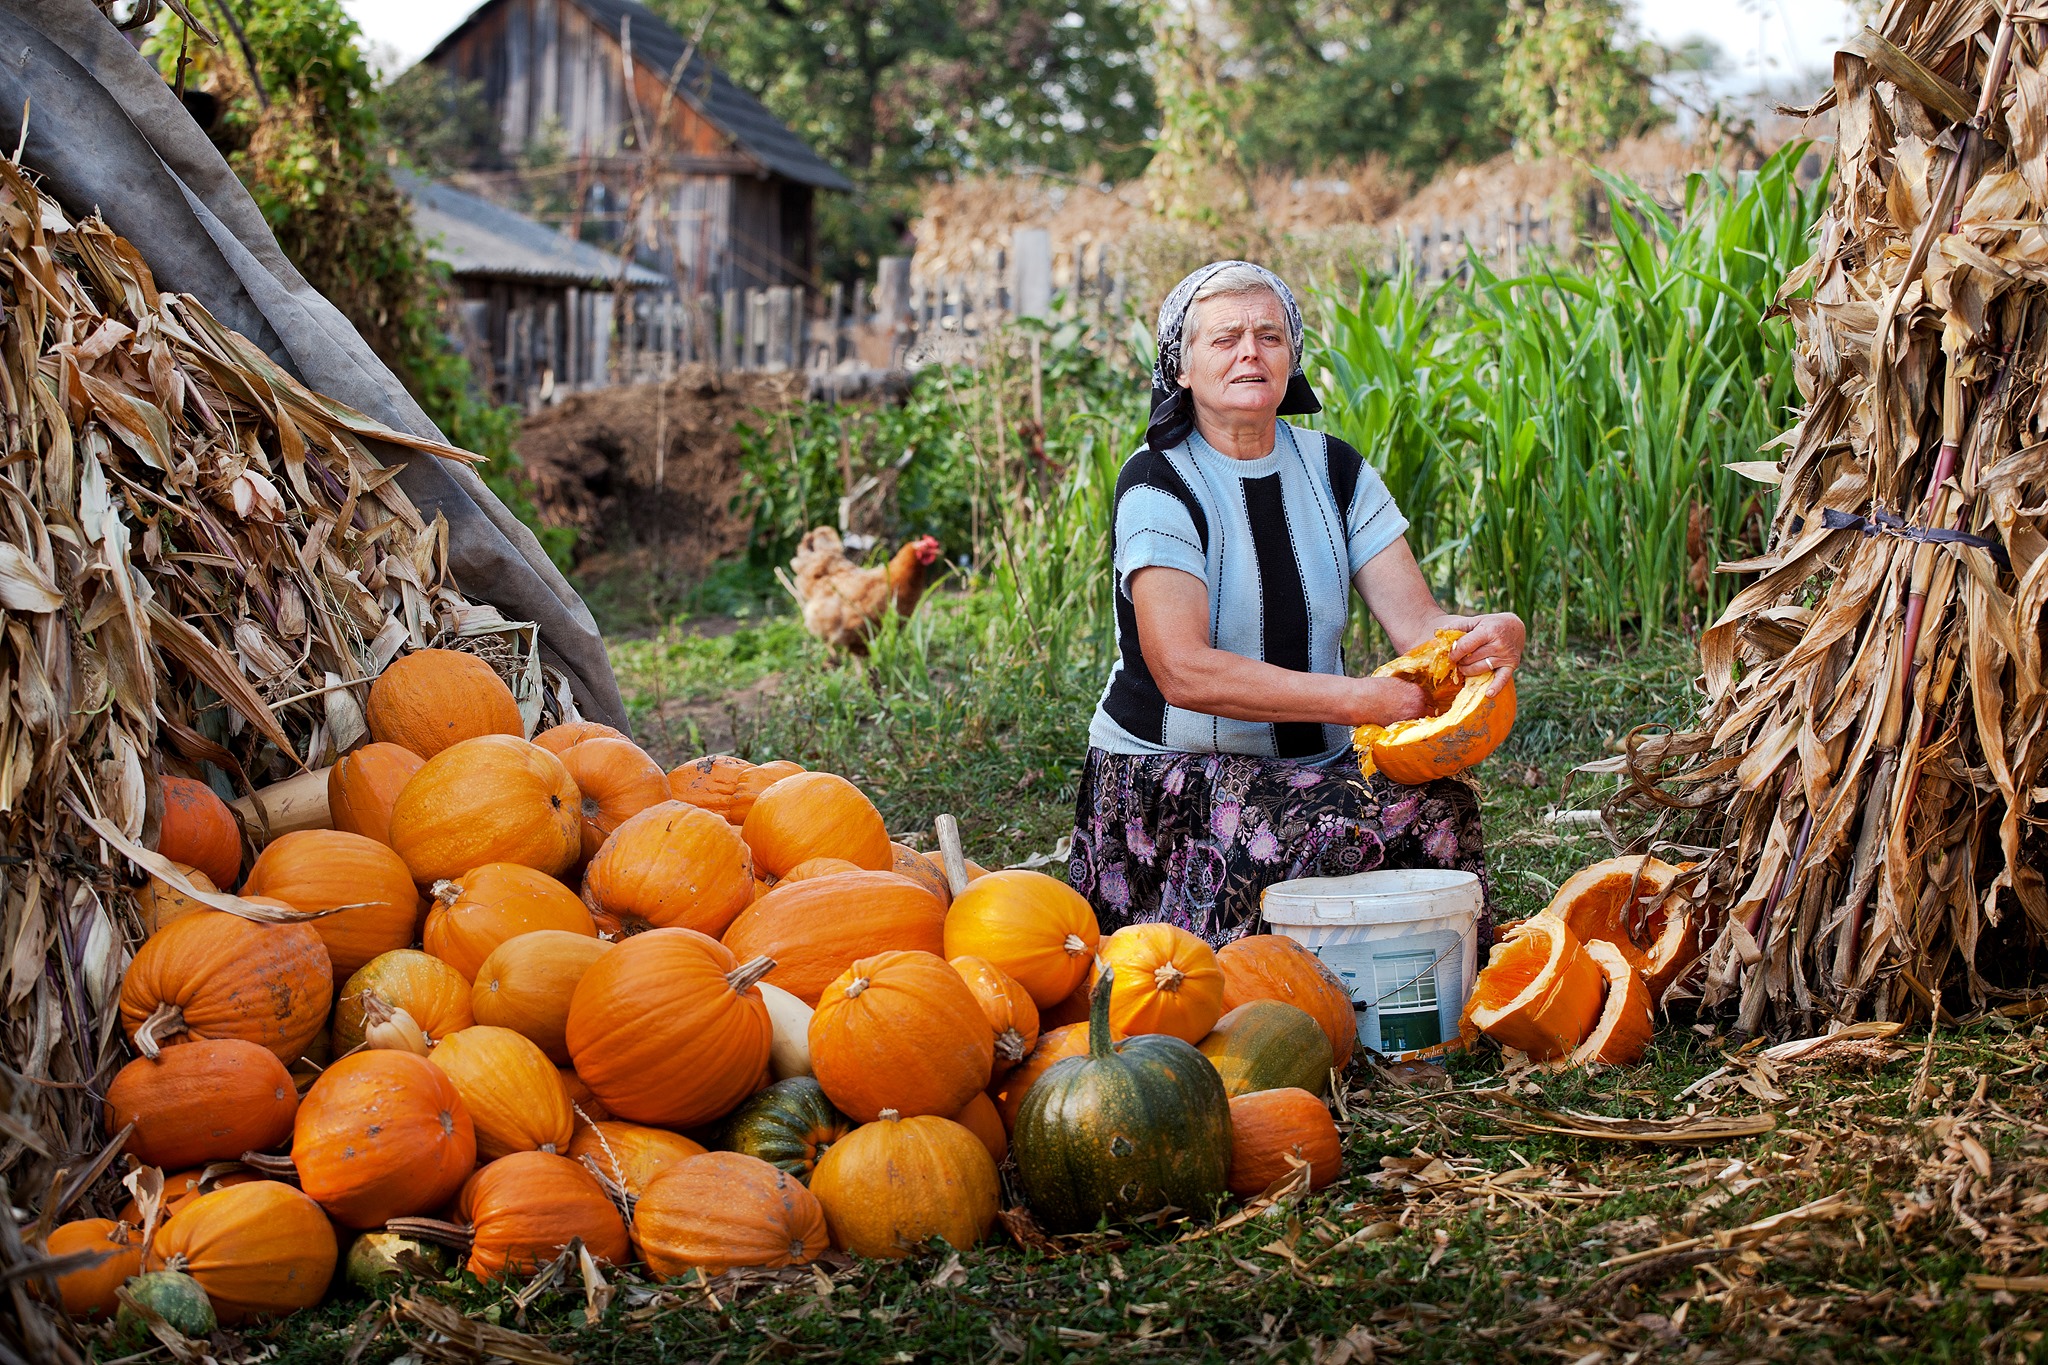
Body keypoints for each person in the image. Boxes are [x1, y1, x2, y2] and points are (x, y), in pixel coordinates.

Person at [1068, 261, 1525, 948]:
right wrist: (1355, 700)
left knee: (1441, 805)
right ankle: (1287, 1006)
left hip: (1319, 762)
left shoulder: (1335, 470)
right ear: (1182, 367)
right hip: (1171, 773)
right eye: (1225, 339)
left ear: (1292, 358)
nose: (1250, 351)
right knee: (1313, 827)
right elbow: (1183, 671)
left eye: (1268, 335)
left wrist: (1495, 631)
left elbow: (1420, 627)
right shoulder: (1157, 483)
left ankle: (1426, 987)